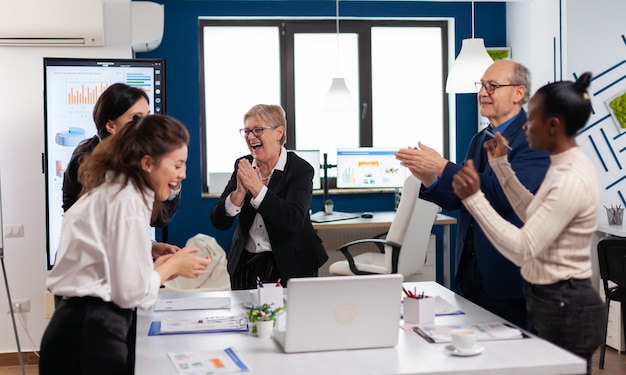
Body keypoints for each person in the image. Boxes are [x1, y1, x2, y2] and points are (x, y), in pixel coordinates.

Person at [451, 72, 606, 374]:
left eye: (531, 119)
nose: (525, 126)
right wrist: (501, 167)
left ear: (553, 125)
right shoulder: (562, 167)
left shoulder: (570, 178)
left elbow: (525, 247)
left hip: (567, 307)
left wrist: (474, 198)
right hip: (552, 301)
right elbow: (533, 213)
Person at [40, 115, 211, 375]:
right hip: (88, 336)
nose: (183, 174)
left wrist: (158, 265)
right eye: (178, 164)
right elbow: (130, 293)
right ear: (147, 163)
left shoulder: (118, 192)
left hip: (79, 329)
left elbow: (117, 272)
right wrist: (171, 266)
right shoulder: (126, 200)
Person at [395, 60, 551, 329]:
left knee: (514, 359)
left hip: (511, 276)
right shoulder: (479, 139)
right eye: (481, 85)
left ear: (518, 93)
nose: (482, 92)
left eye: (493, 86)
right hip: (471, 273)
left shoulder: (535, 139)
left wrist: (443, 167)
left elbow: (504, 196)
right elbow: (460, 200)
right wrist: (431, 179)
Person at [210, 104, 328, 290]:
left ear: (278, 132)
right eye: (247, 131)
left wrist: (257, 189)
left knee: (290, 318)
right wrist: (239, 193)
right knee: (245, 317)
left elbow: (292, 220)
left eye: (257, 130)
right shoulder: (243, 165)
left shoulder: (300, 169)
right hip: (245, 265)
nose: (250, 137)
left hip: (289, 265)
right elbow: (218, 221)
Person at [62, 83, 182, 258]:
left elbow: (157, 218)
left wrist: (172, 184)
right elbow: (107, 227)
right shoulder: (88, 162)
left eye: (147, 117)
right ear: (111, 126)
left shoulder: (135, 157)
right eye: (135, 118)